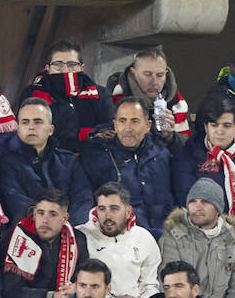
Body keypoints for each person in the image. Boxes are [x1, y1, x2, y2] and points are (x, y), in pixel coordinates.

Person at [170, 95, 235, 238]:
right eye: (214, 125)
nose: (219, 131)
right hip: (197, 231)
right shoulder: (187, 156)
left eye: (226, 125)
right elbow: (186, 198)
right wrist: (215, 228)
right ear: (206, 127)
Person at [68, 98, 175, 230]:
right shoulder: (96, 157)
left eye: (134, 121)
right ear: (115, 125)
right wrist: (82, 233)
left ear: (147, 126)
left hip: (167, 231)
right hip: (121, 234)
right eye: (122, 121)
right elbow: (82, 200)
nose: (128, 128)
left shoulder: (161, 154)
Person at [160, 178, 235, 298]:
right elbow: (171, 287)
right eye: (193, 201)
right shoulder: (173, 237)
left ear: (218, 209)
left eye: (205, 202)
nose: (197, 207)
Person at [76, 182, 163, 298]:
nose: (107, 216)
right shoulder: (81, 236)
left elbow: (150, 284)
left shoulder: (144, 238)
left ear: (128, 211)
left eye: (114, 209)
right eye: (102, 209)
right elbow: (78, 285)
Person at [18, 39, 115, 153]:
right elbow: (28, 130)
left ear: (81, 68)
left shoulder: (100, 94)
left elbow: (110, 127)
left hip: (92, 155)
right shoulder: (32, 94)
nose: (65, 70)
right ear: (48, 68)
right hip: (48, 156)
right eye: (58, 64)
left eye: (71, 64)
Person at [0, 98, 77, 226]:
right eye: (25, 122)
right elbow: (14, 201)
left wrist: (70, 228)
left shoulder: (69, 161)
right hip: (27, 230)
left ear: (51, 129)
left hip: (70, 229)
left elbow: (82, 199)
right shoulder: (4, 162)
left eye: (38, 122)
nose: (31, 127)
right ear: (18, 128)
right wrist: (50, 224)